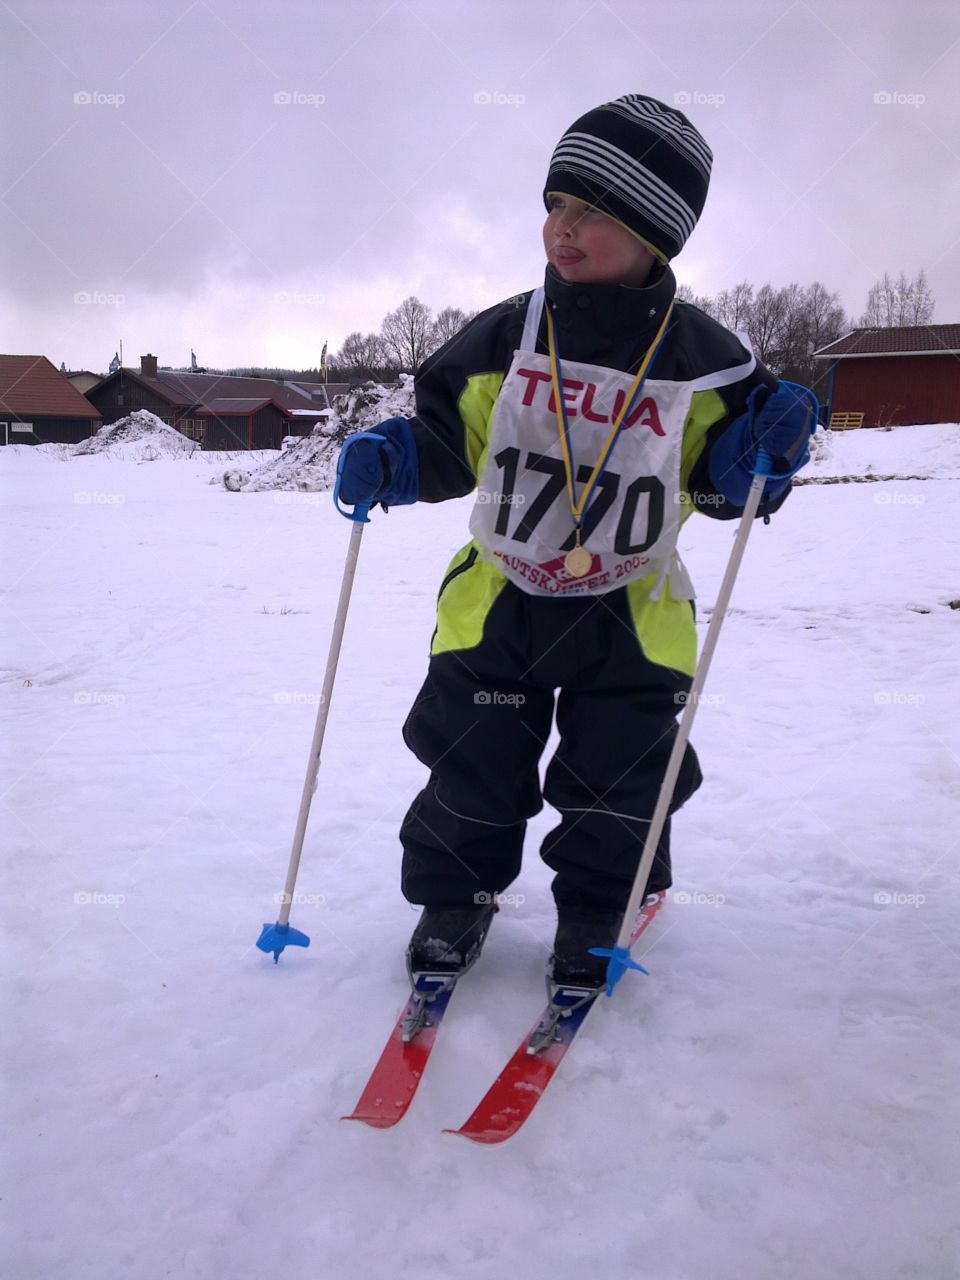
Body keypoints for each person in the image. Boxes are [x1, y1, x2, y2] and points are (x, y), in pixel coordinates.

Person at [336, 94, 816, 988]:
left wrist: (761, 454)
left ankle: (597, 908)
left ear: (655, 235)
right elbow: (451, 438)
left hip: (630, 615)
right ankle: (457, 897)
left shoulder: (707, 359)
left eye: (595, 211)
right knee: (471, 761)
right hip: (498, 605)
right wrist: (391, 457)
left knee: (620, 776)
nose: (565, 227)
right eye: (558, 204)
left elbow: (722, 488)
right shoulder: (506, 335)